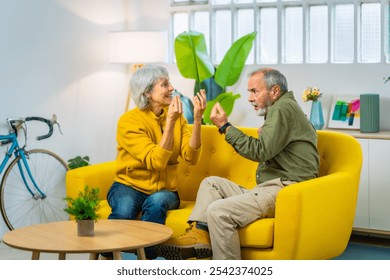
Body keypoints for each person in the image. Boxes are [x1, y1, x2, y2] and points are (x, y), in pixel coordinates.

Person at [156, 68, 320, 260]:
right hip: (271, 187)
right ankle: (199, 234)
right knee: (212, 183)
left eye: (254, 91)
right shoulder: (283, 108)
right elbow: (272, 148)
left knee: (218, 211)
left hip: (284, 190)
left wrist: (225, 126)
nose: (250, 98)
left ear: (275, 91)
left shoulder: (283, 109)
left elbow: (259, 151)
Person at [104, 65, 206, 259]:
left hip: (165, 190)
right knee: (124, 212)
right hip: (129, 186)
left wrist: (199, 119)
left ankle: (148, 261)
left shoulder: (178, 117)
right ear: (148, 92)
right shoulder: (128, 122)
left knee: (156, 203)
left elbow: (191, 158)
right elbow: (156, 161)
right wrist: (169, 123)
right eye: (165, 84)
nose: (171, 88)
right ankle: (109, 253)